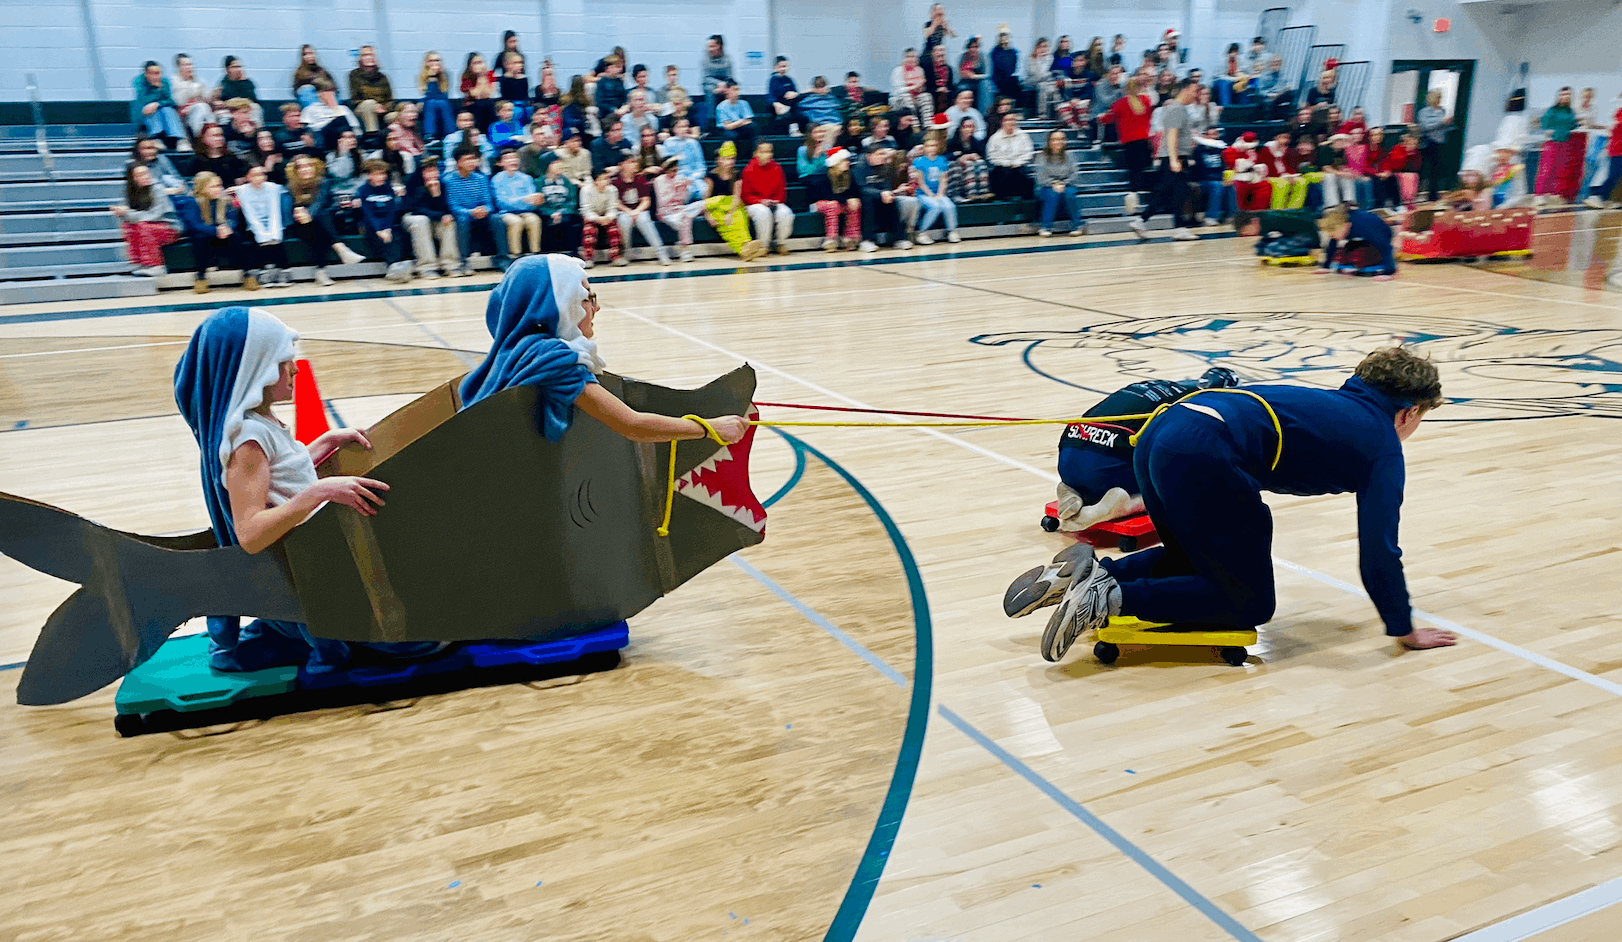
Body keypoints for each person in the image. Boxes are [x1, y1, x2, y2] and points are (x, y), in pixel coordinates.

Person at [1020, 348, 1456, 662]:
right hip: (1204, 449)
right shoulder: (1382, 446)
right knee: (1248, 602)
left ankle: (1088, 574)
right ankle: (1109, 597)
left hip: (1160, 432)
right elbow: (1380, 552)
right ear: (1409, 412)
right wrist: (1402, 627)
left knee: (1193, 559)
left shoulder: (1329, 403)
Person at [457, 255, 748, 451]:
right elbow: (632, 425)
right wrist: (708, 428)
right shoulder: (555, 360)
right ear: (557, 306)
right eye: (587, 298)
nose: (596, 308)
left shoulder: (518, 350)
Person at [1002, 369, 1242, 554]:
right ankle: (1123, 504)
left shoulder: (1157, 385)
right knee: (1184, 479)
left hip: (1069, 453)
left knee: (1115, 455)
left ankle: (1072, 489)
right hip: (1107, 468)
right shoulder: (1201, 404)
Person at [1130, 79, 1199, 242]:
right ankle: (1142, 220)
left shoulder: (1179, 109)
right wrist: (1174, 159)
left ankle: (1176, 227)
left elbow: (1176, 134)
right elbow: (1171, 134)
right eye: (1194, 91)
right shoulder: (1176, 109)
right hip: (1172, 157)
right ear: (1185, 90)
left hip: (1175, 155)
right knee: (1166, 191)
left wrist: (1189, 144)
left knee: (1176, 192)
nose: (1195, 95)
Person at [285, 155, 367, 285]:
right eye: (300, 167)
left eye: (308, 165)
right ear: (295, 170)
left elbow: (320, 202)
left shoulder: (324, 182)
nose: (305, 169)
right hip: (303, 225)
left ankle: (322, 270)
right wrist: (299, 212)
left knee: (322, 216)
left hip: (329, 221)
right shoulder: (290, 186)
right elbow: (289, 208)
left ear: (314, 166)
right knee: (318, 228)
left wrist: (308, 214)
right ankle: (340, 250)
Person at [176, 171, 248, 293]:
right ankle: (201, 277)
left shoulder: (225, 200)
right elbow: (194, 224)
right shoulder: (191, 201)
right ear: (202, 188)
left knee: (236, 236)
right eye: (213, 186)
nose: (218, 189)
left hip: (223, 232)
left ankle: (248, 274)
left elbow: (232, 219)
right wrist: (215, 231)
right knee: (199, 238)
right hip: (205, 234)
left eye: (219, 186)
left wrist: (227, 227)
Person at [445, 144, 508, 274]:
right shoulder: (449, 180)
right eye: (467, 159)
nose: (472, 162)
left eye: (473, 158)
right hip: (464, 216)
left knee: (497, 218)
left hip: (481, 214)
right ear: (458, 162)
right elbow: (453, 206)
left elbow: (489, 203)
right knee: (462, 220)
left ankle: (502, 257)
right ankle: (463, 261)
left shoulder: (481, 178)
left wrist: (485, 209)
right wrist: (471, 212)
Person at [111, 164, 179, 277]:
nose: (146, 176)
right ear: (133, 179)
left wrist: (127, 213)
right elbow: (127, 214)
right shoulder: (129, 192)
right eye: (141, 174)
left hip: (170, 227)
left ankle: (157, 266)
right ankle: (138, 263)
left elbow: (156, 216)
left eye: (147, 173)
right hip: (148, 226)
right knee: (129, 226)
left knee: (143, 226)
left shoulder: (157, 189)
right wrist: (122, 212)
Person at [703, 142, 765, 260]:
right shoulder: (711, 176)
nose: (729, 162)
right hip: (716, 206)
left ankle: (747, 246)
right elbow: (705, 199)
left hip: (732, 205)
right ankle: (744, 250)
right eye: (726, 159)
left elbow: (737, 197)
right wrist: (708, 215)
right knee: (726, 225)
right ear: (719, 160)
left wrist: (730, 213)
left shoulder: (736, 174)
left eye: (731, 159)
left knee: (740, 218)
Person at [235, 164, 293, 287]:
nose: (259, 178)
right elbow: (250, 215)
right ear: (248, 177)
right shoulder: (241, 191)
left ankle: (283, 270)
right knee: (258, 239)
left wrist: (274, 234)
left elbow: (275, 213)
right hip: (253, 224)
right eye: (255, 175)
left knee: (276, 239)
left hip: (275, 222)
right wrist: (262, 235)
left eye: (262, 174)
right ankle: (264, 270)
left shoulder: (274, 188)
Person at [355, 159, 412, 282]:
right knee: (380, 237)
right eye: (378, 174)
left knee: (396, 234)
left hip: (387, 224)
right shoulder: (363, 190)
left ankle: (397, 266)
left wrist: (387, 228)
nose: (382, 177)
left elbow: (391, 211)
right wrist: (379, 230)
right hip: (369, 225)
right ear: (369, 175)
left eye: (383, 173)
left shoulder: (388, 189)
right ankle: (393, 266)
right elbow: (368, 213)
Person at [402, 162, 459, 278]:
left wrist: (436, 194)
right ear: (421, 173)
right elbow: (415, 208)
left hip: (433, 218)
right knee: (421, 221)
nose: (433, 174)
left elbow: (446, 209)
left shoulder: (442, 185)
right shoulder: (412, 184)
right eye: (428, 171)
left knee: (449, 222)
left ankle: (450, 264)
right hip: (411, 217)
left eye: (434, 171)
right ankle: (426, 267)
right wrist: (439, 215)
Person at [856, 145, 918, 251]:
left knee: (893, 201)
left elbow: (886, 186)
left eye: (884, 154)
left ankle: (899, 239)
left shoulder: (884, 168)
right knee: (868, 201)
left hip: (881, 197)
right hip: (863, 199)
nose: (883, 157)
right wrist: (881, 193)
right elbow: (862, 189)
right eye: (880, 154)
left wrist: (887, 194)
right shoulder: (859, 168)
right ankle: (867, 241)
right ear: (870, 156)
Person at [1103, 76, 1153, 201]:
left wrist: (1099, 118)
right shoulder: (1146, 100)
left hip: (1129, 141)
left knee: (1133, 168)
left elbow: (1108, 118)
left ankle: (1134, 193)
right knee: (1142, 167)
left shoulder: (1120, 103)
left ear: (1126, 89)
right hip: (1144, 139)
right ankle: (1145, 193)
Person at [741, 140, 794, 256]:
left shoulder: (777, 168)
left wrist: (775, 201)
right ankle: (763, 246)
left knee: (786, 213)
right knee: (763, 213)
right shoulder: (748, 170)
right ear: (756, 154)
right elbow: (745, 196)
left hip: (773, 202)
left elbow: (781, 193)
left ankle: (781, 243)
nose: (768, 155)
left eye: (769, 152)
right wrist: (760, 201)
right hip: (753, 204)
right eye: (764, 152)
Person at [806, 147, 863, 251]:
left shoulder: (850, 175)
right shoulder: (824, 176)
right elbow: (826, 195)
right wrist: (845, 200)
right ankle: (831, 239)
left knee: (855, 203)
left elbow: (855, 192)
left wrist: (852, 199)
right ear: (836, 163)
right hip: (820, 203)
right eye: (844, 161)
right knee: (833, 205)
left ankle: (851, 238)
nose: (847, 163)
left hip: (840, 203)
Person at [492, 147, 544, 259]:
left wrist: (528, 201)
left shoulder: (527, 178)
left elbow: (532, 202)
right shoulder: (497, 179)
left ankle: (535, 254)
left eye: (514, 157)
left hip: (525, 211)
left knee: (534, 220)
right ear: (501, 163)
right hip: (506, 213)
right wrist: (523, 200)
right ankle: (516, 255)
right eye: (508, 158)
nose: (512, 160)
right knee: (516, 222)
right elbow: (502, 203)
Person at [1317, 204, 1395, 278]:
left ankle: (1378, 262)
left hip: (1382, 234)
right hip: (1364, 237)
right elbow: (1332, 245)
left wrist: (1388, 272)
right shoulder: (1342, 225)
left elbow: (1385, 246)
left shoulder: (1366, 226)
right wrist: (1326, 267)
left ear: (1346, 226)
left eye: (1332, 234)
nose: (1331, 236)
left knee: (1368, 251)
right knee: (1348, 251)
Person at [1536, 87, 1584, 204]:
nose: (1565, 97)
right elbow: (1543, 123)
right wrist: (1548, 131)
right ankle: (1539, 195)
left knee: (1560, 171)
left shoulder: (1570, 111)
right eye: (1563, 95)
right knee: (1546, 170)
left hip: (1565, 145)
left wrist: (1580, 125)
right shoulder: (1552, 110)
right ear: (1559, 97)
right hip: (1552, 144)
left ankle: (1556, 194)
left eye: (1567, 95)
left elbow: (1573, 125)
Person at [911, 134, 960, 244]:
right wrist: (931, 195)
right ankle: (921, 232)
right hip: (922, 194)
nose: (932, 148)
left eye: (934, 145)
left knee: (949, 206)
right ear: (924, 148)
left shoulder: (942, 160)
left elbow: (943, 180)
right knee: (935, 206)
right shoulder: (919, 161)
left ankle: (951, 231)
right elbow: (920, 183)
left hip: (938, 192)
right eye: (929, 146)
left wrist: (940, 194)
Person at [1034, 129, 1083, 236]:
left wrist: (1063, 184)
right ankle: (1046, 227)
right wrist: (1054, 184)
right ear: (1050, 142)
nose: (1058, 142)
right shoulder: (1041, 156)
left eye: (1061, 139)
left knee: (1070, 194)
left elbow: (1075, 174)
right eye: (1055, 139)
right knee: (1052, 194)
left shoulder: (1070, 155)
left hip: (1067, 184)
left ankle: (1077, 226)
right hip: (1046, 186)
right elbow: (1040, 176)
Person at [653, 157, 704, 262]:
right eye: (672, 171)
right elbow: (663, 202)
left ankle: (684, 247)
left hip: (680, 209)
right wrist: (674, 189)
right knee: (685, 218)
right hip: (665, 212)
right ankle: (685, 250)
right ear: (666, 170)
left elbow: (684, 200)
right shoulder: (658, 180)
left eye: (676, 170)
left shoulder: (679, 178)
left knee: (703, 204)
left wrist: (685, 188)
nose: (675, 173)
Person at [130, 61, 186, 150]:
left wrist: (157, 103)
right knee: (150, 108)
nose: (156, 76)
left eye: (158, 73)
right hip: (143, 116)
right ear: (146, 74)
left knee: (167, 109)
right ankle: (156, 138)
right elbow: (143, 101)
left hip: (163, 114)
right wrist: (158, 90)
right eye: (153, 73)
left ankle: (179, 140)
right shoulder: (139, 82)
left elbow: (171, 101)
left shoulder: (164, 82)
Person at [578, 167, 623, 268]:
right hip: (591, 215)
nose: (605, 181)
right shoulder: (585, 190)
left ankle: (616, 256)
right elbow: (586, 209)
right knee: (589, 230)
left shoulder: (612, 190)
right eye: (602, 179)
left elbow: (613, 207)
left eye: (606, 178)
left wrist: (608, 217)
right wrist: (597, 218)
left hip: (606, 215)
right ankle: (588, 258)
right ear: (595, 181)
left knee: (614, 229)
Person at [535, 157, 582, 254]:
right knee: (546, 223)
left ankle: (573, 254)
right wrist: (551, 213)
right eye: (555, 163)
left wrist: (561, 212)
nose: (559, 165)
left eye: (559, 162)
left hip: (565, 213)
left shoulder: (566, 181)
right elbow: (539, 203)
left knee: (570, 221)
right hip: (547, 214)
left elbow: (572, 201)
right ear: (547, 166)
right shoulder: (539, 182)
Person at [346, 45, 394, 136]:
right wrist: (375, 105)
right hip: (362, 108)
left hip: (382, 110)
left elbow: (390, 99)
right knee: (369, 103)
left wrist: (384, 107)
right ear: (360, 59)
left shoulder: (383, 77)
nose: (369, 58)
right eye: (365, 55)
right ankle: (372, 137)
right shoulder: (354, 75)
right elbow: (356, 98)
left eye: (371, 55)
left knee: (396, 115)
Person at [986, 110, 1034, 199]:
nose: (1010, 122)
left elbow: (1028, 152)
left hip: (1019, 165)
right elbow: (992, 156)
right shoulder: (994, 138)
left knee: (1023, 175)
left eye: (1012, 119)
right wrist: (1007, 164)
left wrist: (1018, 162)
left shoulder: (1023, 136)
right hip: (1002, 167)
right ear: (1002, 122)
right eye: (1007, 120)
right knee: (1004, 174)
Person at [301, 79, 360, 152]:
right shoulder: (309, 109)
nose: (330, 94)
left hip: (342, 136)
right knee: (340, 120)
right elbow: (307, 129)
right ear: (319, 94)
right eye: (326, 91)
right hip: (322, 136)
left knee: (342, 122)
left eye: (331, 91)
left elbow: (355, 128)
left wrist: (334, 107)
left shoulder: (343, 108)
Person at [1416, 89, 1451, 202]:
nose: (1439, 100)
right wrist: (1441, 123)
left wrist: (1447, 124)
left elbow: (1443, 127)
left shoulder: (1442, 111)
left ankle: (1433, 195)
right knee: (1424, 169)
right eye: (1437, 97)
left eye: (1440, 97)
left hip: (1440, 143)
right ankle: (1418, 193)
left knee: (1436, 170)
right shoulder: (1424, 112)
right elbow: (1425, 126)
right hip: (1428, 143)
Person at [946, 116, 991, 201]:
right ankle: (971, 193)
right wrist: (961, 157)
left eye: (972, 126)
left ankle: (983, 192)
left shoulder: (977, 142)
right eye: (967, 126)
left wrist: (975, 157)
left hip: (973, 166)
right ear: (961, 128)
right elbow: (947, 156)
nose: (970, 129)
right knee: (969, 165)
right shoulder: (952, 142)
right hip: (957, 168)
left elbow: (982, 156)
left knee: (981, 163)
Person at [1586, 104, 1622, 208]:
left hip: (1616, 150)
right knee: (1614, 175)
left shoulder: (1618, 118)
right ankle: (1598, 196)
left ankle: (1611, 199)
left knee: (1616, 176)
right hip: (1618, 152)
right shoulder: (1619, 119)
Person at [171, 54, 215, 138]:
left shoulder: (198, 80)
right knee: (201, 107)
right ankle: (198, 138)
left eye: (190, 64)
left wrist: (214, 93)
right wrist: (192, 88)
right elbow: (179, 101)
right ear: (178, 67)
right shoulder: (173, 81)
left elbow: (207, 96)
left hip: (198, 109)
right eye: (186, 65)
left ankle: (212, 137)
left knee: (209, 111)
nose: (190, 67)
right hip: (181, 115)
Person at [660, 117, 706, 192]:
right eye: (682, 126)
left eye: (687, 126)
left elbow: (701, 167)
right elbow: (667, 166)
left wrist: (691, 178)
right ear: (674, 129)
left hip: (694, 178)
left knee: (704, 190)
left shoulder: (694, 143)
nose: (685, 129)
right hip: (675, 178)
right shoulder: (668, 143)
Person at [419, 52, 457, 143]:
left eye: (437, 60)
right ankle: (430, 135)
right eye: (431, 61)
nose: (435, 63)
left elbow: (444, 94)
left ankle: (450, 134)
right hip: (427, 103)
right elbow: (428, 95)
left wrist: (438, 78)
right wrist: (431, 78)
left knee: (441, 103)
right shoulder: (422, 76)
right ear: (426, 63)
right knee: (432, 103)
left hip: (442, 101)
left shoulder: (446, 75)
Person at [217, 55, 264, 127]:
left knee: (256, 108)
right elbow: (224, 101)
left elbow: (252, 100)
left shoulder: (248, 83)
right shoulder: (223, 84)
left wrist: (242, 82)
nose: (238, 69)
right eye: (234, 67)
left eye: (239, 67)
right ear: (227, 69)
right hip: (231, 110)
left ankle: (257, 133)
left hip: (247, 109)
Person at [441, 110, 493, 174]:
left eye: (470, 120)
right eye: (464, 120)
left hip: (479, 168)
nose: (468, 123)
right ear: (457, 123)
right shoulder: (451, 138)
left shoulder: (481, 137)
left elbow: (489, 153)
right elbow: (448, 157)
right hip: (456, 170)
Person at [699, 35, 734, 130]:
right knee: (710, 90)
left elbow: (730, 77)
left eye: (712, 46)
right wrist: (718, 84)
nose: (709, 49)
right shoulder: (704, 59)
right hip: (710, 84)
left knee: (734, 90)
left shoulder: (728, 59)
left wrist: (725, 86)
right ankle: (711, 120)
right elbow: (706, 78)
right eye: (708, 46)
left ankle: (731, 119)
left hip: (724, 84)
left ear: (719, 46)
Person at [891, 48, 933, 124]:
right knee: (907, 97)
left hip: (915, 96)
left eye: (913, 57)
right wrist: (913, 87)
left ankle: (928, 125)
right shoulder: (898, 70)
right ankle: (914, 125)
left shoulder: (920, 70)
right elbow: (898, 91)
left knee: (926, 96)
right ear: (903, 59)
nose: (910, 59)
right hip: (900, 99)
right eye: (908, 57)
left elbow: (922, 88)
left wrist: (919, 87)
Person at [715, 81, 757, 156]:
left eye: (738, 89)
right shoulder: (721, 107)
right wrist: (741, 121)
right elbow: (727, 126)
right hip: (726, 130)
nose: (737, 92)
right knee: (730, 135)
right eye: (734, 90)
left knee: (753, 127)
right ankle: (729, 155)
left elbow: (749, 121)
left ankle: (754, 153)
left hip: (740, 127)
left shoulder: (744, 103)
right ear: (727, 91)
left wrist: (736, 123)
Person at [460, 53, 498, 132]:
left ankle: (491, 132)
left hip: (487, 102)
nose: (479, 65)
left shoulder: (490, 74)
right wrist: (480, 77)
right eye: (475, 63)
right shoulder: (466, 76)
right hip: (472, 103)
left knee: (489, 103)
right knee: (479, 104)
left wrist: (483, 76)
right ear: (470, 66)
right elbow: (475, 95)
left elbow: (489, 92)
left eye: (481, 62)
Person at [1023, 37, 1055, 119]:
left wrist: (1045, 61)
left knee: (1046, 87)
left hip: (1046, 83)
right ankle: (1042, 113)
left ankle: (1048, 114)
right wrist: (1038, 60)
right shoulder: (1030, 59)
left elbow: (1051, 74)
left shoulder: (1051, 59)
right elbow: (1035, 74)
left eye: (1046, 46)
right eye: (1041, 46)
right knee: (1043, 85)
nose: (1044, 49)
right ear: (1037, 47)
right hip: (1032, 82)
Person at [768, 56, 801, 133]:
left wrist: (794, 94)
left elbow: (796, 92)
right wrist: (776, 104)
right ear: (776, 67)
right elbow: (770, 96)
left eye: (785, 66)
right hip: (778, 106)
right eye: (781, 66)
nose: (784, 69)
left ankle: (795, 128)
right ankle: (793, 129)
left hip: (790, 104)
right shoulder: (773, 80)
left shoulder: (789, 80)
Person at [959, 37, 990, 115]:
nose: (973, 49)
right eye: (971, 47)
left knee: (985, 85)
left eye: (976, 47)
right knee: (962, 88)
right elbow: (959, 73)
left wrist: (974, 76)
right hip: (966, 81)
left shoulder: (983, 57)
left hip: (980, 81)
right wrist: (965, 75)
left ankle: (984, 114)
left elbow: (988, 74)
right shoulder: (963, 57)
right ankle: (963, 111)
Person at [990, 27, 1020, 101]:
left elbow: (1013, 67)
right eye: (1002, 35)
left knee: (1016, 82)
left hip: (1010, 79)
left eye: (1006, 35)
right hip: (999, 79)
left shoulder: (1013, 51)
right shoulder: (995, 51)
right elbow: (1000, 66)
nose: (1004, 37)